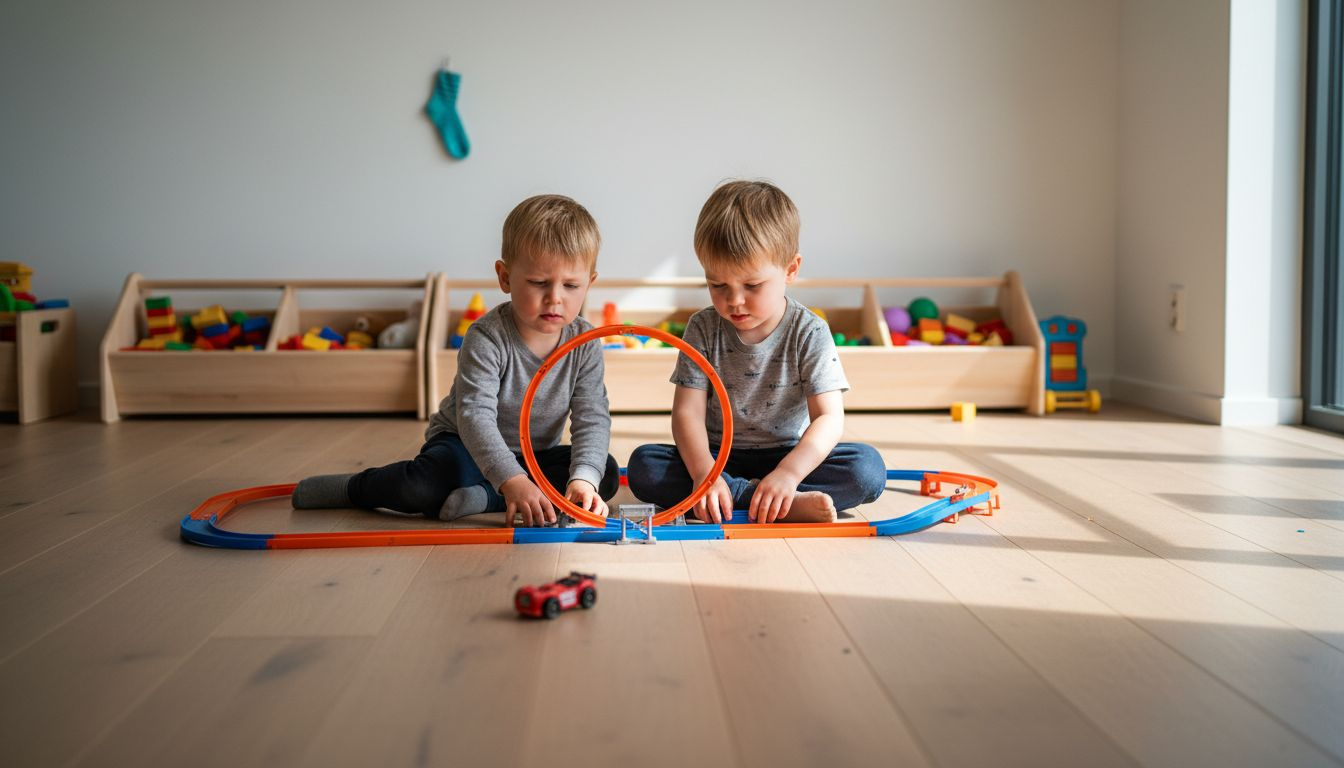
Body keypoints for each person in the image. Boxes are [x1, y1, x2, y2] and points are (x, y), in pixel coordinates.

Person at [293, 194, 619, 527]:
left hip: (534, 457)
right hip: (463, 444)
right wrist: (511, 478)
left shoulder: (585, 344)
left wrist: (583, 480)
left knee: (602, 472)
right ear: (505, 277)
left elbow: (592, 416)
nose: (554, 297)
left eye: (571, 285)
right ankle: (354, 487)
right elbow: (475, 416)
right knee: (420, 487)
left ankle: (487, 497)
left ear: (589, 284)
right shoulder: (487, 336)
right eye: (538, 282)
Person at [628, 180, 885, 523]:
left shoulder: (809, 331)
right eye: (717, 285)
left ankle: (754, 496)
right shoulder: (702, 328)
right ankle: (769, 501)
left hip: (791, 456)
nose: (734, 301)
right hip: (718, 457)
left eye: (752, 286)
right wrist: (706, 472)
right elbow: (687, 414)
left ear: (791, 269)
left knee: (866, 470)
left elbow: (828, 418)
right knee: (645, 466)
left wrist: (789, 474)